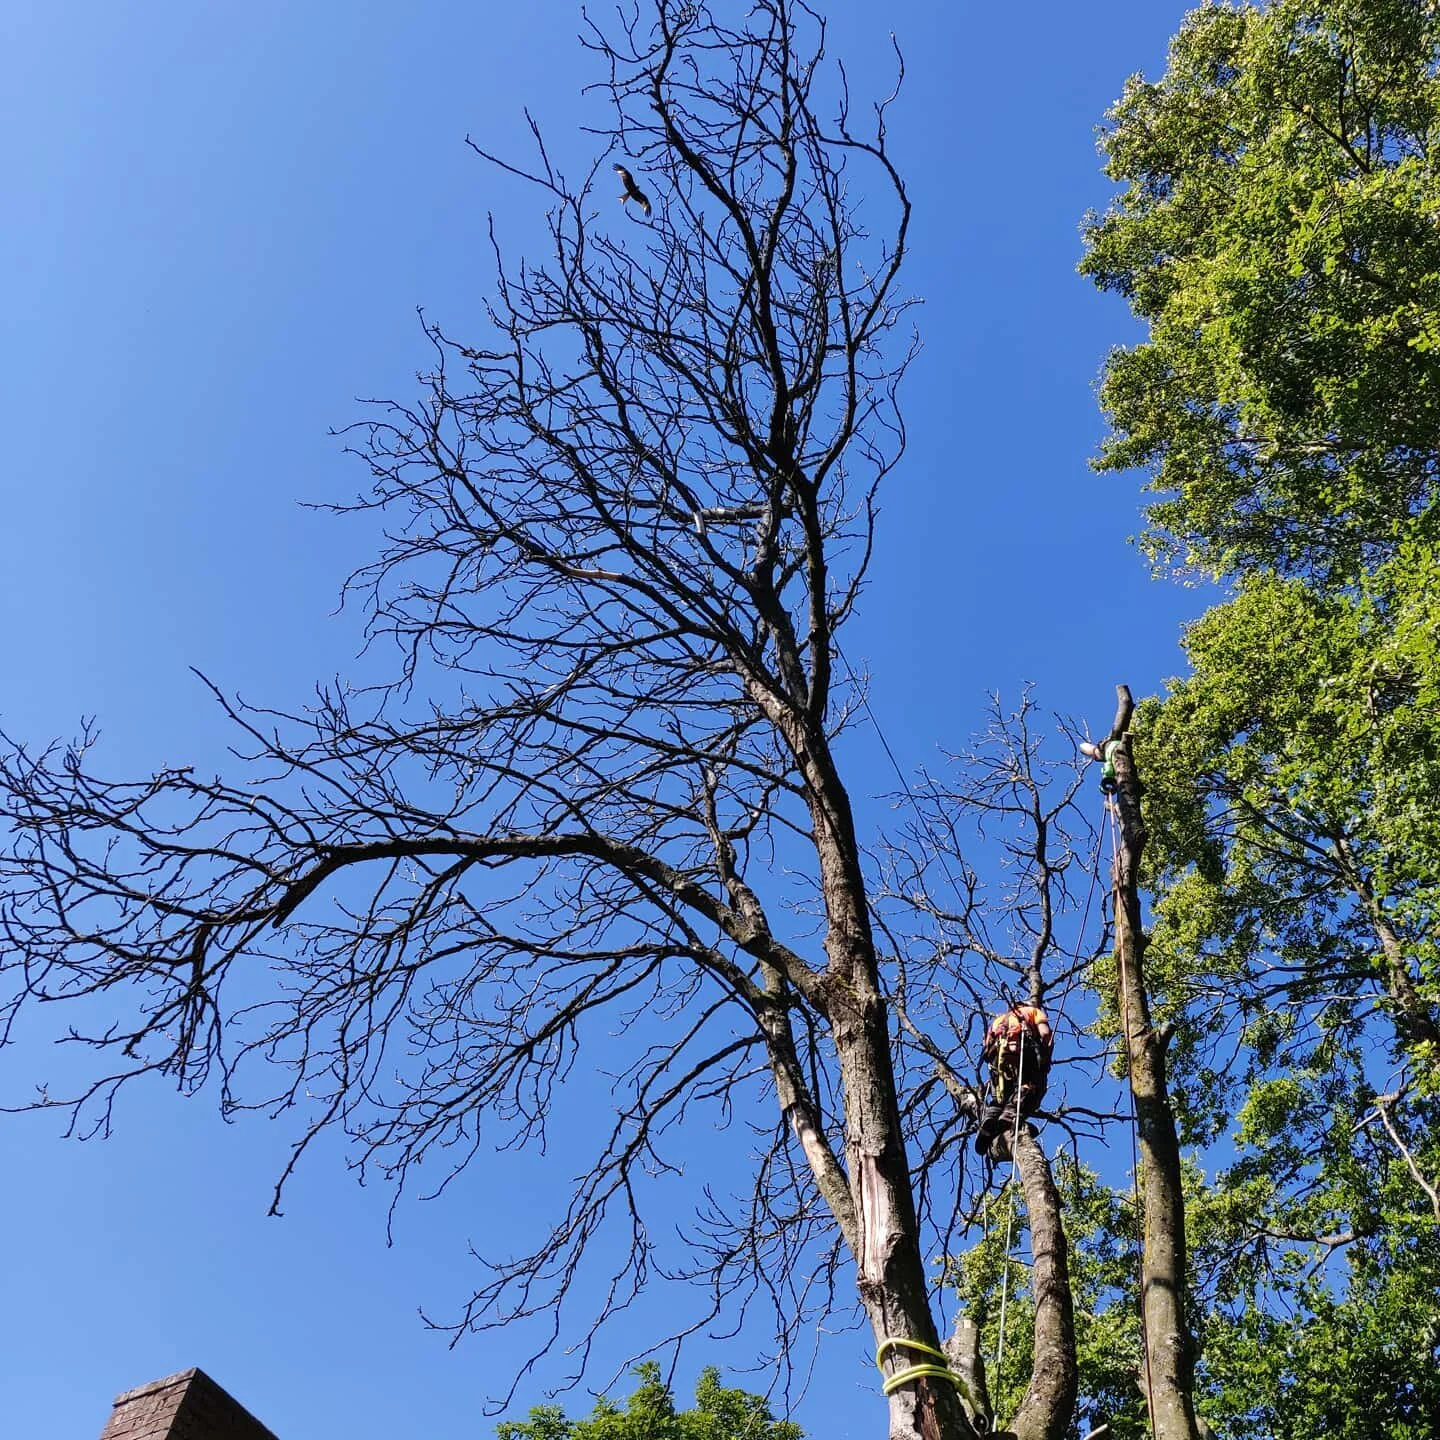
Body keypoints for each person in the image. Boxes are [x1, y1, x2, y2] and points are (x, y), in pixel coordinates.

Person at [974, 1003, 1054, 1156]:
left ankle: (989, 1120)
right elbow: (1045, 1034)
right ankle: (1008, 1119)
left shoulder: (998, 1020)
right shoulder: (1033, 1012)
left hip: (998, 1062)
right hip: (1023, 1054)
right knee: (1032, 1088)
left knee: (1000, 1098)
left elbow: (987, 1046)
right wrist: (1045, 1058)